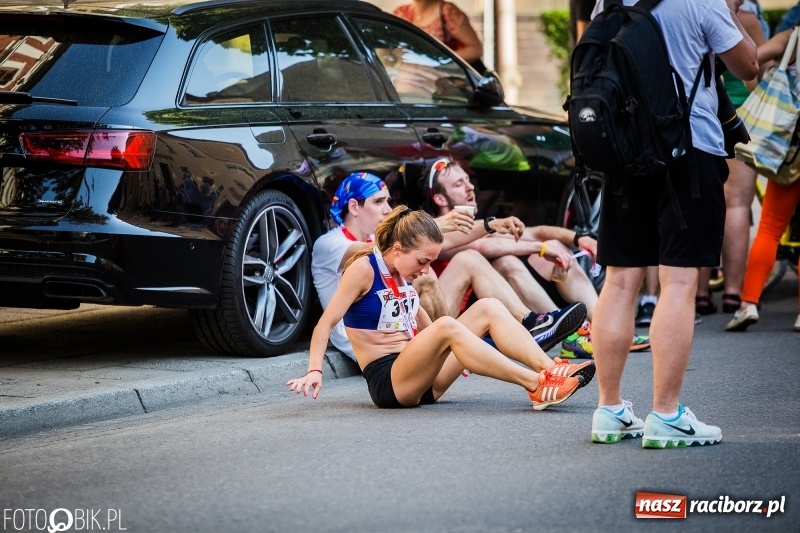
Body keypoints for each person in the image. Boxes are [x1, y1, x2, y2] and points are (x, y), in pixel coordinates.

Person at [588, 0, 757, 447]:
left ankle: (609, 410)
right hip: (689, 150)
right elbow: (748, 65)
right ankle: (665, 413)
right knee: (679, 281)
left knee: (620, 280)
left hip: (624, 151)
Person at [289, 205, 594, 410]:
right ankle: (536, 385)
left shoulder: (403, 274)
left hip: (424, 377)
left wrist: (453, 350)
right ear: (397, 249)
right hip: (391, 383)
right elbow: (324, 324)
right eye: (422, 261)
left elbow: (417, 318)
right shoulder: (363, 269)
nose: (425, 269)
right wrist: (314, 370)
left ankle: (550, 369)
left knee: (487, 306)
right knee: (448, 326)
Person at [312, 172, 589, 363]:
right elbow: (371, 252)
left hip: (408, 331)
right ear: (353, 206)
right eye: (378, 202)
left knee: (469, 261)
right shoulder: (330, 244)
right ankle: (466, 346)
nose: (387, 209)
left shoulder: (380, 239)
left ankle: (533, 324)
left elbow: (444, 241)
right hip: (375, 346)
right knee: (428, 275)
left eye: (388, 201)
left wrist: (491, 224)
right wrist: (434, 225)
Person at [420, 157, 650, 359]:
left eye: (468, 180)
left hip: (478, 312)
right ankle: (569, 333)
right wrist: (539, 248)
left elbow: (538, 231)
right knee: (503, 260)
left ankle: (603, 330)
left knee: (552, 247)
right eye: (459, 184)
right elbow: (483, 246)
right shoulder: (437, 232)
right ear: (440, 199)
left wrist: (580, 239)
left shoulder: (478, 225)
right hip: (448, 319)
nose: (470, 187)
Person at [695, 0, 769, 317]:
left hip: (702, 118)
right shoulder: (747, 20)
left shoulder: (694, 10)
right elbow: (755, 78)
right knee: (737, 205)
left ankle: (698, 292)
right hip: (738, 120)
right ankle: (733, 292)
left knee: (700, 204)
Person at [726, 26, 800, 333]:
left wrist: (765, 81)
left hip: (791, 145)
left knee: (770, 226)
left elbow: (751, 62)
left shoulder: (794, 37)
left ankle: (748, 304)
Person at [392, 0, 486, 72]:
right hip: (405, 78)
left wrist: (440, 60)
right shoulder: (400, 13)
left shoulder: (447, 11)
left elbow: (475, 49)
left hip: (441, 82)